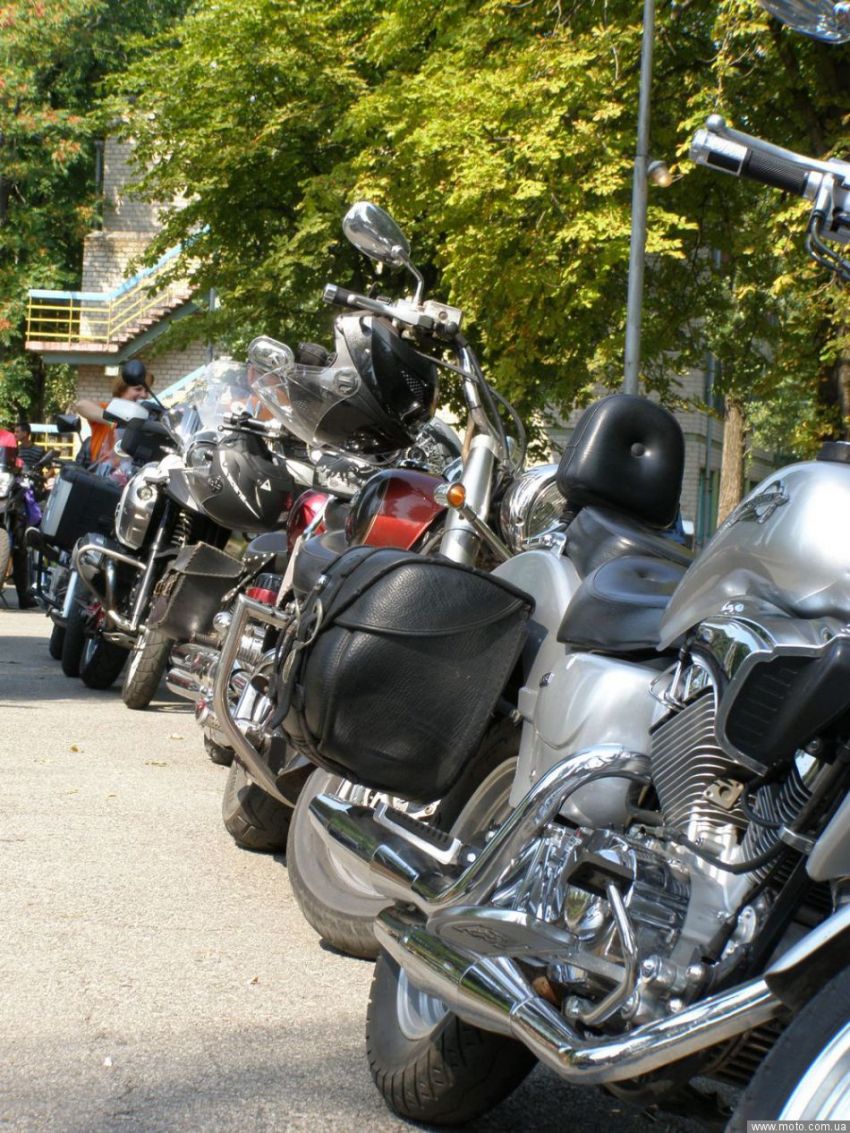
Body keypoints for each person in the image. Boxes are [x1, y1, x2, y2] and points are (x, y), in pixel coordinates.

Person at [73, 359, 151, 470]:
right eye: (138, 389)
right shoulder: (109, 409)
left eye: (147, 390)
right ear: (122, 389)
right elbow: (81, 405)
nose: (144, 395)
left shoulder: (146, 420)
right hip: (101, 474)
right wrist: (114, 421)